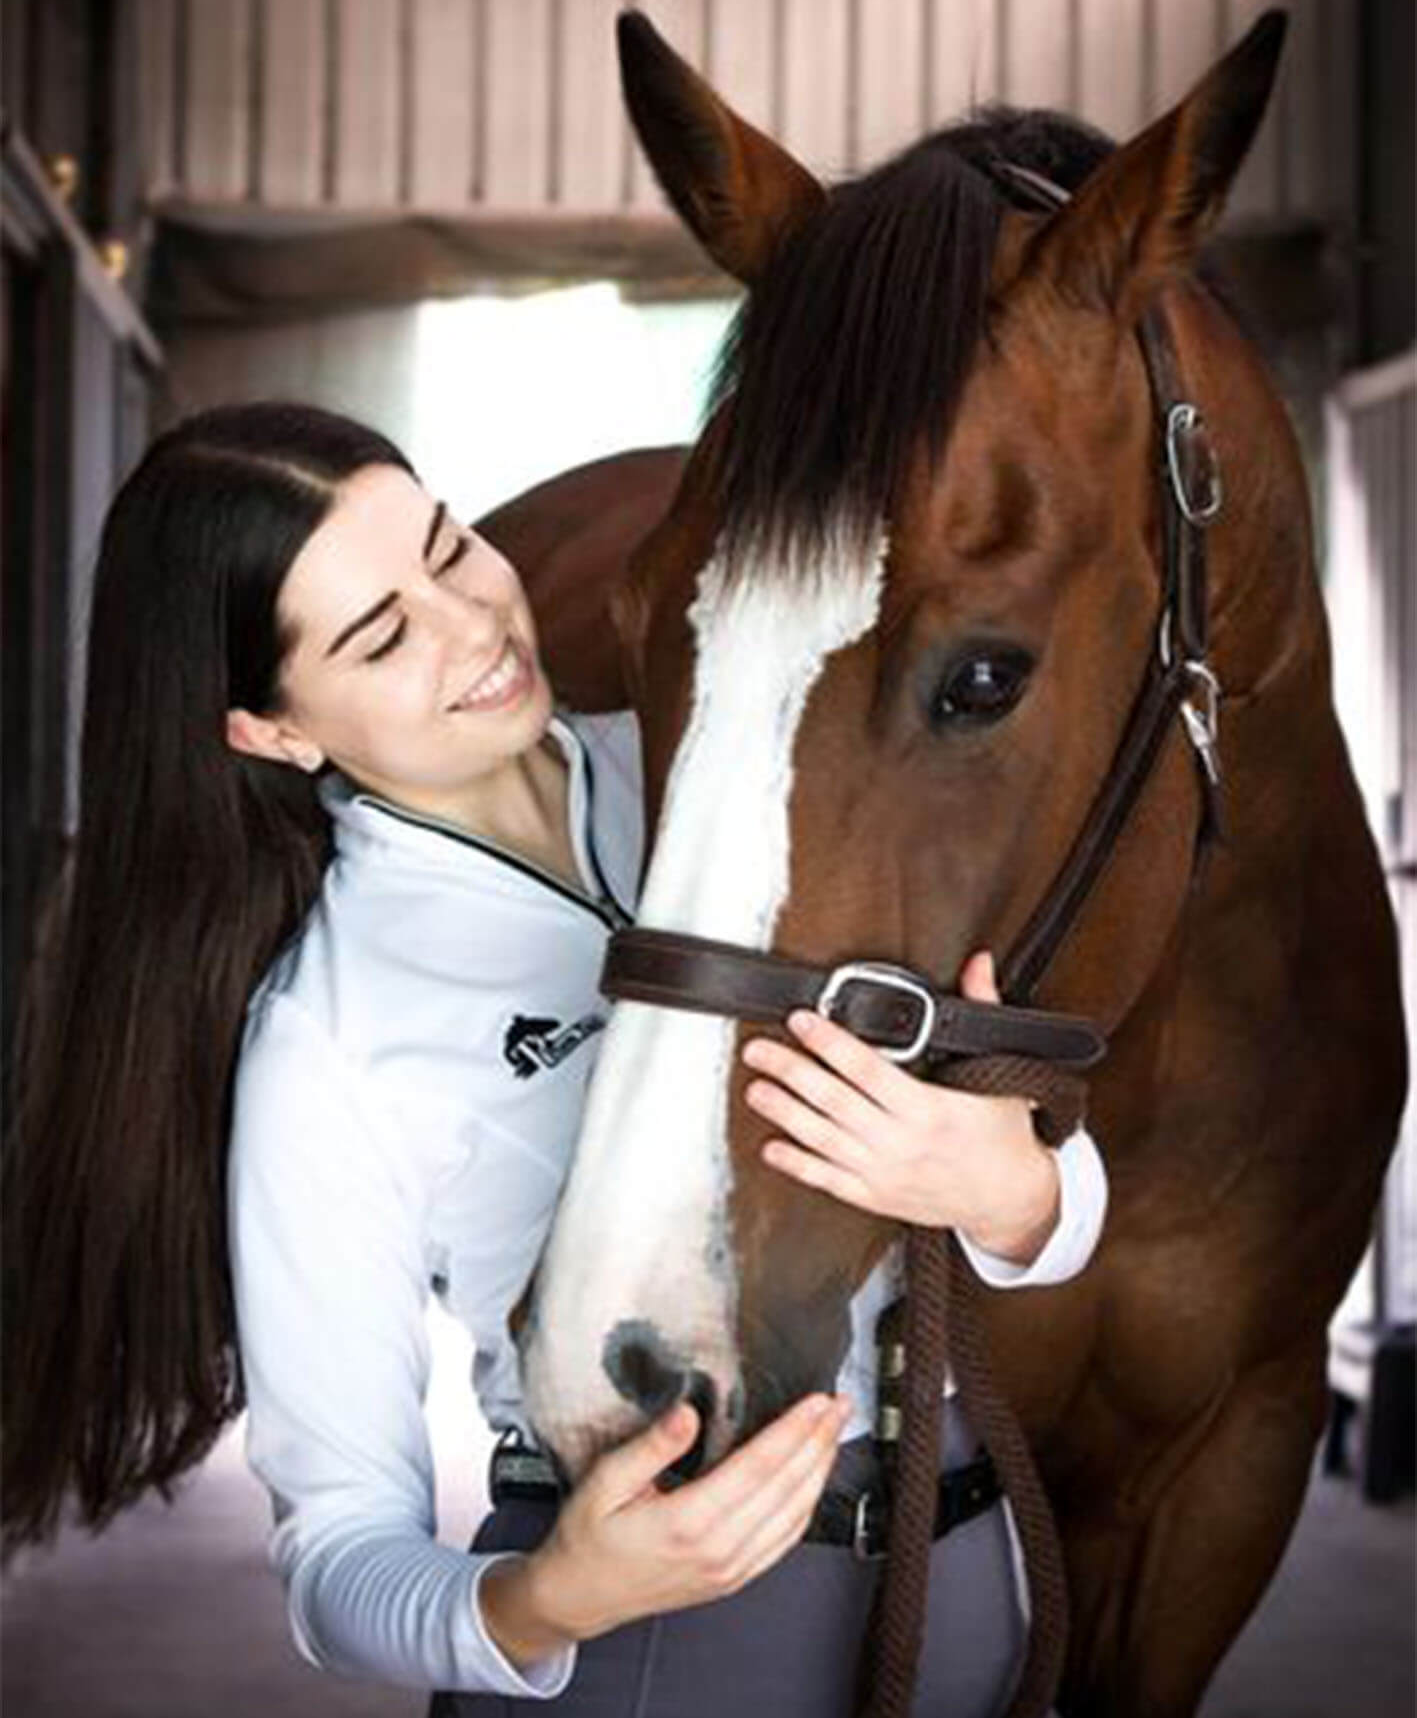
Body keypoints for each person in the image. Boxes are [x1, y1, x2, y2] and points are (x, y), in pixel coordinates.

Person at [3, 403, 1107, 1716]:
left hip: (972, 1577)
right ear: (272, 729)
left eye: (448, 547)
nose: (472, 625)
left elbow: (1045, 1201)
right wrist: (559, 1595)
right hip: (662, 1649)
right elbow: (338, 1553)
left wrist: (1016, 1193)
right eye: (381, 633)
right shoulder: (329, 1034)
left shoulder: (737, 777)